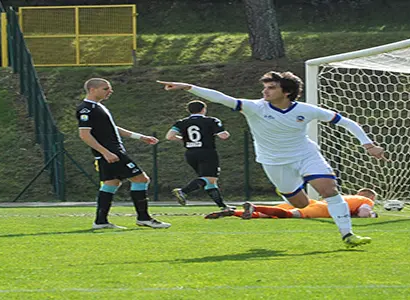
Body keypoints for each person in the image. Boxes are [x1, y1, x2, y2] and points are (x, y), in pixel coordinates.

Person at [157, 71, 386, 248]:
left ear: (286, 92)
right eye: (265, 87)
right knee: (301, 204)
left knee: (329, 190)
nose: (265, 91)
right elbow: (222, 98)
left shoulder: (306, 110)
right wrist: (188, 87)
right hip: (274, 161)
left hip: (306, 154)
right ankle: (289, 190)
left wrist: (367, 144)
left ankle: (347, 234)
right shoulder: (255, 107)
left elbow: (345, 121)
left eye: (271, 87)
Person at [77, 78, 171, 229]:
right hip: (112, 152)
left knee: (111, 183)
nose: (110, 91)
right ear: (92, 90)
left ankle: (100, 222)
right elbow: (84, 135)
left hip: (111, 151)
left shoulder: (99, 107)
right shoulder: (86, 109)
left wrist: (141, 137)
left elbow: (114, 128)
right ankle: (144, 218)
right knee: (141, 179)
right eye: (105, 88)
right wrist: (105, 152)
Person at [166, 100, 235, 211]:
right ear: (204, 109)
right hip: (207, 152)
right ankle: (183, 191)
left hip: (191, 153)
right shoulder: (211, 120)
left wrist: (184, 140)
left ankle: (223, 207)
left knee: (209, 181)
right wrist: (224, 133)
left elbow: (169, 136)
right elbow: (223, 136)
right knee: (209, 178)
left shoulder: (181, 122)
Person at [205, 188, 378, 219]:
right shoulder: (366, 200)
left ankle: (232, 212)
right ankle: (255, 207)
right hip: (323, 209)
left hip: (316, 202)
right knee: (291, 215)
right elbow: (363, 213)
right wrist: (371, 214)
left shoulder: (348, 197)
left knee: (271, 214)